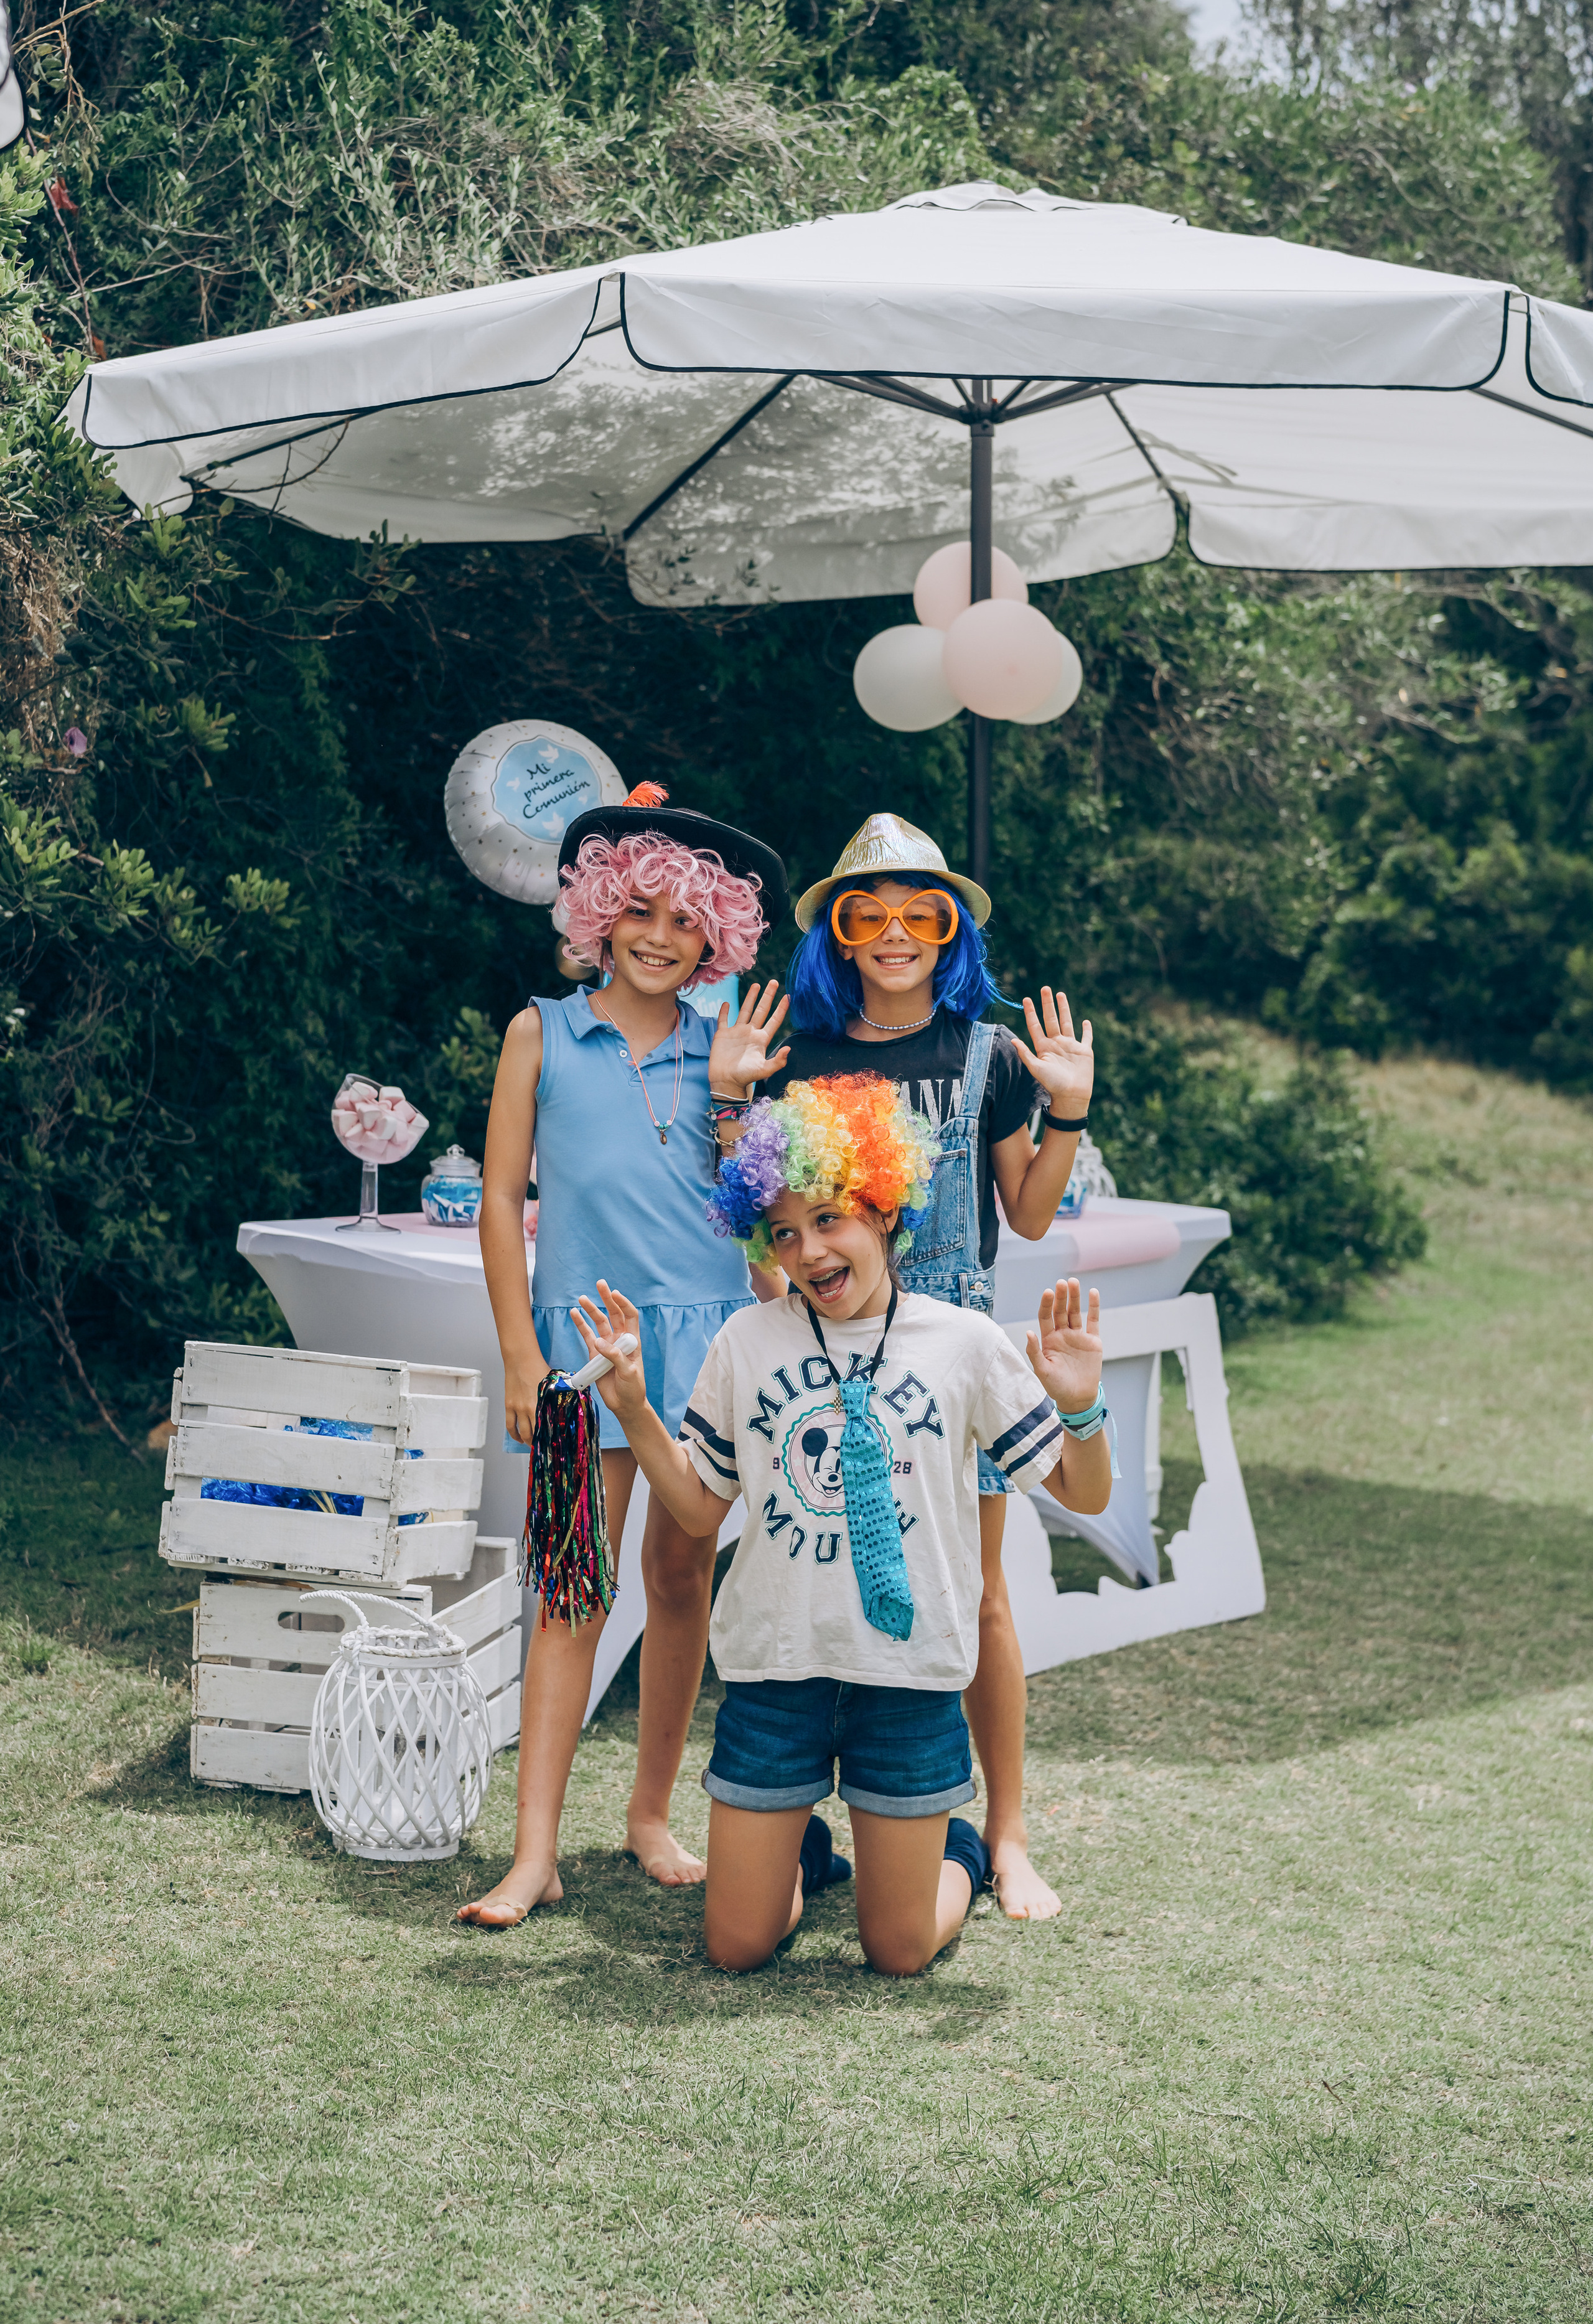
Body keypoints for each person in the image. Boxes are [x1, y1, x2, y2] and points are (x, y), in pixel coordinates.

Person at [570, 1072, 1113, 1974]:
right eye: (782, 1231)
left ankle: (963, 1852)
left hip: (907, 1678)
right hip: (777, 1672)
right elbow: (701, 1504)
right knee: (736, 1945)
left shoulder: (964, 1342)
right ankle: (804, 1854)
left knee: (897, 1950)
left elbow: (1081, 1494)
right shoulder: (748, 1341)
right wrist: (632, 1408)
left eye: (829, 1218)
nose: (808, 1250)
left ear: (884, 1208)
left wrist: (1083, 1410)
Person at [729, 813, 1094, 1921]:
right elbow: (763, 1240)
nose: (894, 934)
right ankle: (815, 1822)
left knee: (977, 1599)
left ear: (951, 931)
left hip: (954, 1356)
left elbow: (1026, 1215)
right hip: (830, 1352)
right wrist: (733, 1104)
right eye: (866, 913)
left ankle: (1007, 1834)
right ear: (836, 933)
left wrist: (1068, 1106)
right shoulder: (806, 1058)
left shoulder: (987, 1050)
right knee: (819, 1567)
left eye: (920, 913)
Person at [456, 785, 792, 1928]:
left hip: (708, 1355)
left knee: (681, 1574)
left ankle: (651, 1813)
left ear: (718, 938)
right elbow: (502, 1201)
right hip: (571, 1360)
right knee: (568, 1587)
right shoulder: (540, 1032)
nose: (661, 936)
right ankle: (533, 1851)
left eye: (688, 921)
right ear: (600, 911)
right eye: (640, 910)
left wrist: (742, 1102)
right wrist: (517, 1351)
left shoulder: (727, 1049)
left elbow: (759, 1220)